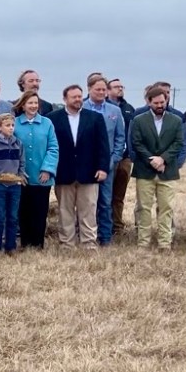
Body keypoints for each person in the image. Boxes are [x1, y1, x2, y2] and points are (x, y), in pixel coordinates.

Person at [50, 85, 110, 249]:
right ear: (65, 99)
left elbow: (103, 146)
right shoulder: (53, 118)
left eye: (79, 96)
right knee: (65, 211)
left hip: (89, 172)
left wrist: (103, 168)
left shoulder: (95, 118)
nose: (77, 100)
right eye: (73, 97)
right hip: (63, 172)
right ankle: (66, 244)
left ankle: (89, 243)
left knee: (88, 210)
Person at [130, 87, 184, 250]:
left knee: (166, 208)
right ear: (148, 102)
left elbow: (178, 143)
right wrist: (151, 160)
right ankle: (143, 242)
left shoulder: (176, 120)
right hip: (145, 171)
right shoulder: (139, 120)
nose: (160, 105)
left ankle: (164, 243)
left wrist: (163, 159)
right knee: (144, 208)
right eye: (156, 103)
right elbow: (137, 143)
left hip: (167, 171)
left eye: (163, 102)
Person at [82, 75, 125, 245]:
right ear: (89, 89)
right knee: (86, 203)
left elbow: (120, 137)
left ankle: (105, 237)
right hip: (86, 164)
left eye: (103, 89)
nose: (101, 92)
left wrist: (113, 159)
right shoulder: (82, 108)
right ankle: (86, 235)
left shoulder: (115, 111)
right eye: (97, 89)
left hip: (107, 165)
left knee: (105, 202)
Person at [13, 91, 59, 249]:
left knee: (39, 212)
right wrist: (18, 172)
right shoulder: (15, 124)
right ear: (23, 105)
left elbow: (53, 148)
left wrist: (47, 169)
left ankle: (38, 244)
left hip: (42, 176)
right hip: (22, 176)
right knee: (23, 211)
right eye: (30, 103)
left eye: (35, 103)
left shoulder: (47, 123)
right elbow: (11, 148)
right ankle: (25, 244)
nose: (33, 106)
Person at [0, 113, 25, 253]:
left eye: (13, 125)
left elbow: (22, 162)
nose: (11, 128)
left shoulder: (18, 143)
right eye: (7, 125)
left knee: (13, 216)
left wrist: (20, 177)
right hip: (0, 184)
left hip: (15, 185)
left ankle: (11, 246)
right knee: (0, 215)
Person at [106, 78, 135, 233]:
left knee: (119, 194)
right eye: (116, 87)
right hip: (108, 157)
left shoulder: (128, 108)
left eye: (121, 86)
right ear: (108, 90)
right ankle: (104, 223)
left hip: (125, 158)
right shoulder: (104, 107)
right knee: (105, 193)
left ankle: (117, 225)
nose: (120, 89)